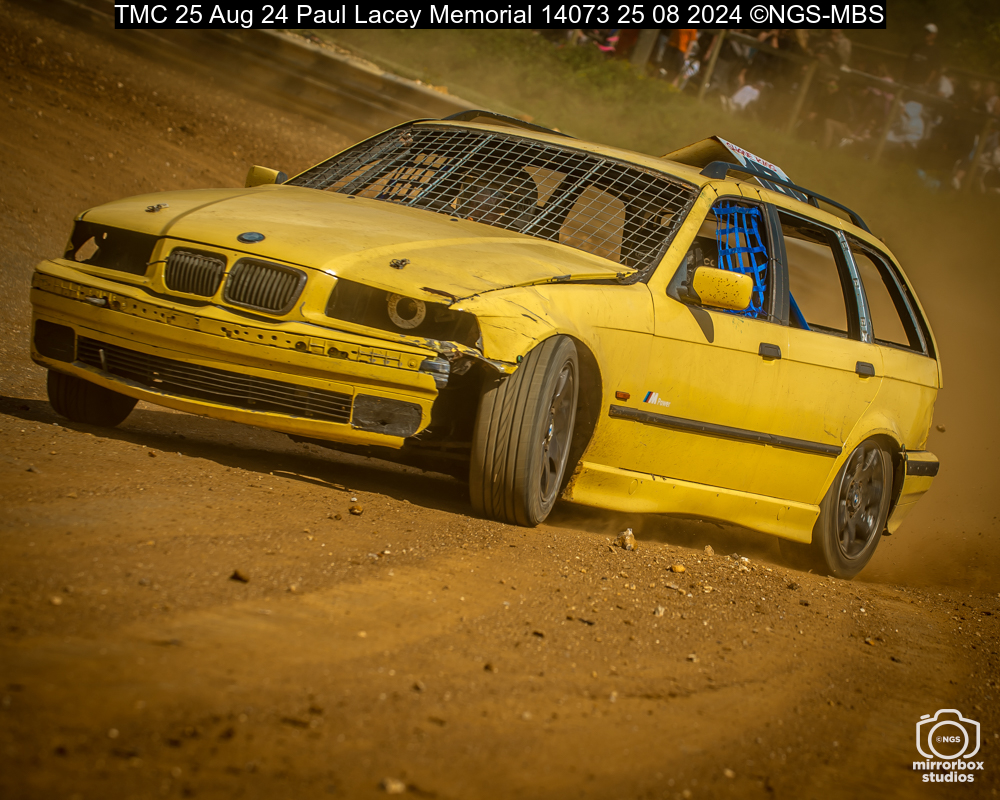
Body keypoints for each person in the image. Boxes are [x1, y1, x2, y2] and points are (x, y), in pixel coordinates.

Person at [903, 23, 941, 89]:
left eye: (930, 33)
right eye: (926, 32)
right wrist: (902, 77)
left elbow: (935, 69)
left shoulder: (936, 51)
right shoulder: (916, 47)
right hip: (907, 80)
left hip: (920, 84)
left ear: (934, 35)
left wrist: (926, 83)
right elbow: (907, 63)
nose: (927, 34)